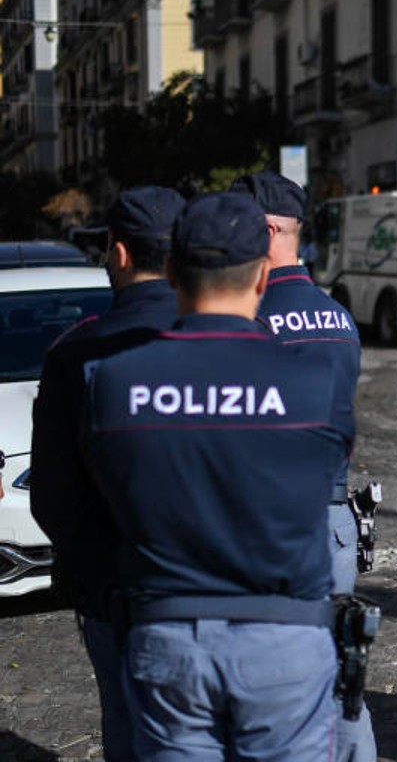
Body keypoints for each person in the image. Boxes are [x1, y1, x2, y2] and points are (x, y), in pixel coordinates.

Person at [82, 192, 352, 760]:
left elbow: (113, 493)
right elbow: (322, 477)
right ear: (262, 277)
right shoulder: (312, 383)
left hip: (169, 633)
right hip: (284, 637)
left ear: (173, 272)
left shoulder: (115, 382)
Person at [31, 185, 186, 762]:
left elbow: (52, 492)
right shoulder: (230, 343)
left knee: (127, 728)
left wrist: (93, 569)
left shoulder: (75, 352)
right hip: (214, 589)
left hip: (114, 590)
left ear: (119, 255)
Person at [229, 170, 374, 761]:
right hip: (334, 520)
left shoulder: (247, 315)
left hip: (268, 527)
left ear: (265, 231)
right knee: (343, 680)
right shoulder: (337, 315)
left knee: (266, 683)